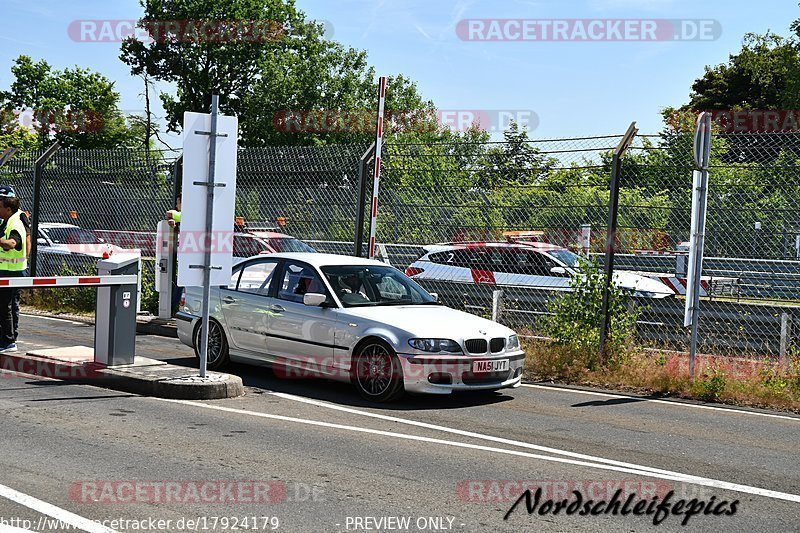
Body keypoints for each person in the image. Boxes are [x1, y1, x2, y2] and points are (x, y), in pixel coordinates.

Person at [0, 186, 27, 352]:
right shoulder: (6, 220)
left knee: (6, 307)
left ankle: (9, 341)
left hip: (12, 272)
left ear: (8, 208)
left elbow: (12, 243)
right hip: (6, 270)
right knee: (4, 306)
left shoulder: (16, 222)